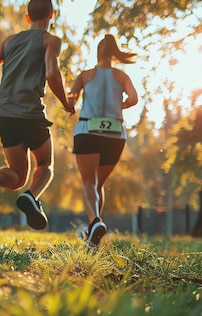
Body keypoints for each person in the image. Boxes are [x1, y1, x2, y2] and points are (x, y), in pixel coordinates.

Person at [0, 0, 74, 230]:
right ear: (51, 15)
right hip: (30, 113)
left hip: (5, 113)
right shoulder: (50, 40)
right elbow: (52, 73)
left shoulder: (10, 41)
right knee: (45, 164)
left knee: (17, 176)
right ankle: (32, 197)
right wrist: (66, 103)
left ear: (27, 17)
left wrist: (1, 91)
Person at [68, 34, 138, 248]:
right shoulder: (121, 76)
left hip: (88, 130)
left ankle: (95, 222)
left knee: (90, 183)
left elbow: (72, 98)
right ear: (114, 53)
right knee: (99, 184)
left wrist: (70, 103)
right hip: (115, 135)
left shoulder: (85, 75)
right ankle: (93, 235)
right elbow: (134, 99)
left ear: (97, 53)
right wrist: (120, 106)